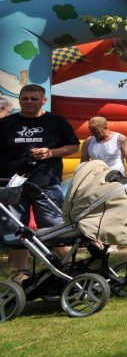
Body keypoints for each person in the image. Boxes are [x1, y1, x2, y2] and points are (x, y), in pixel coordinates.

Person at [0, 84, 80, 282]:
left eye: (34, 99)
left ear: (43, 100)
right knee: (14, 227)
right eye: (25, 98)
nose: (29, 102)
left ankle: (69, 267)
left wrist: (51, 152)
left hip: (46, 183)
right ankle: (22, 272)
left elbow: (73, 146)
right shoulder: (5, 124)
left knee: (54, 227)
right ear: (19, 100)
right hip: (12, 185)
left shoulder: (56, 121)